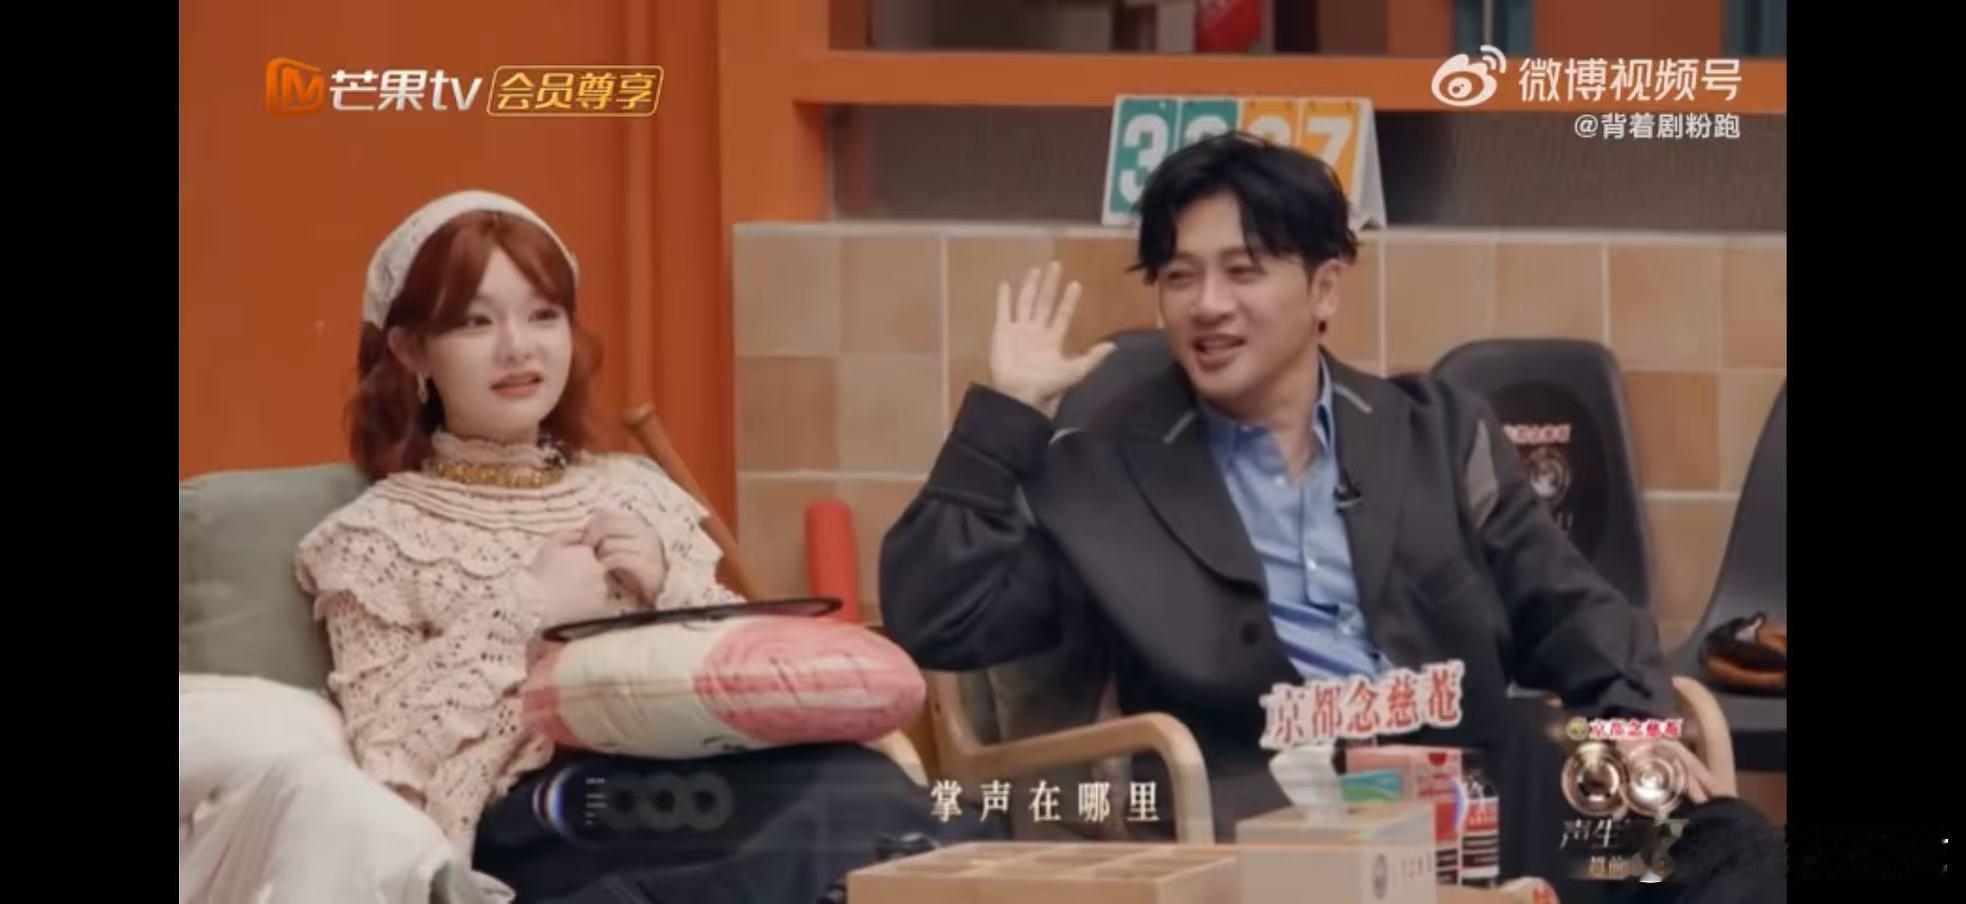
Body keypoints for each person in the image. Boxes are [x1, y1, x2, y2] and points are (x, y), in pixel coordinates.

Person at [879, 135, 1781, 900]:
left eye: (1243, 270)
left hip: (1475, 794)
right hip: (1268, 820)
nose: (1207, 305)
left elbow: (1572, 609)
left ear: (1325, 289)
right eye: (1180, 276)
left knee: (1729, 851)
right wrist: (1004, 418)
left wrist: (1631, 728)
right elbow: (940, 618)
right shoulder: (1106, 470)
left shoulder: (1436, 432)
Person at [296, 190, 978, 904]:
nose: (518, 347)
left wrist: (667, 587)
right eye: (475, 321)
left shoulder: (637, 490)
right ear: (412, 350)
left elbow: (744, 682)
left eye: (543, 315)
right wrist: (526, 607)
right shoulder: (373, 539)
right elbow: (387, 755)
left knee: (860, 785)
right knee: (818, 825)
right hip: (549, 812)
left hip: (697, 773)